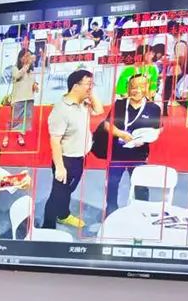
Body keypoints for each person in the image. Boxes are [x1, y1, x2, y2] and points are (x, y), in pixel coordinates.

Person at [42, 69, 104, 230]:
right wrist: (60, 167)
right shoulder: (61, 110)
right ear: (76, 86)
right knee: (57, 195)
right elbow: (55, 140)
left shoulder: (83, 103)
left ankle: (63, 215)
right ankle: (47, 228)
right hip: (66, 160)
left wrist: (90, 92)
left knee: (68, 190)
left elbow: (99, 110)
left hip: (79, 158)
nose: (91, 87)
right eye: (88, 84)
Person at [103, 73, 163, 214]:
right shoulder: (119, 105)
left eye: (141, 86)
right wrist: (121, 134)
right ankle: (111, 211)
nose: (137, 90)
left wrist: (146, 138)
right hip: (117, 154)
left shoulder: (153, 108)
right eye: (134, 87)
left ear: (147, 88)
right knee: (112, 184)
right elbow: (107, 124)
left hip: (139, 155)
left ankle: (142, 212)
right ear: (129, 88)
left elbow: (159, 128)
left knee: (141, 186)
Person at [4, 49, 39, 149]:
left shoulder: (31, 70)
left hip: (29, 98)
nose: (28, 58)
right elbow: (17, 75)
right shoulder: (15, 68)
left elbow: (33, 81)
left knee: (24, 120)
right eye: (26, 56)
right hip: (18, 98)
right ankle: (6, 136)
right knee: (13, 119)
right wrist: (27, 65)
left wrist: (35, 85)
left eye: (29, 56)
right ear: (20, 58)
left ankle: (20, 136)